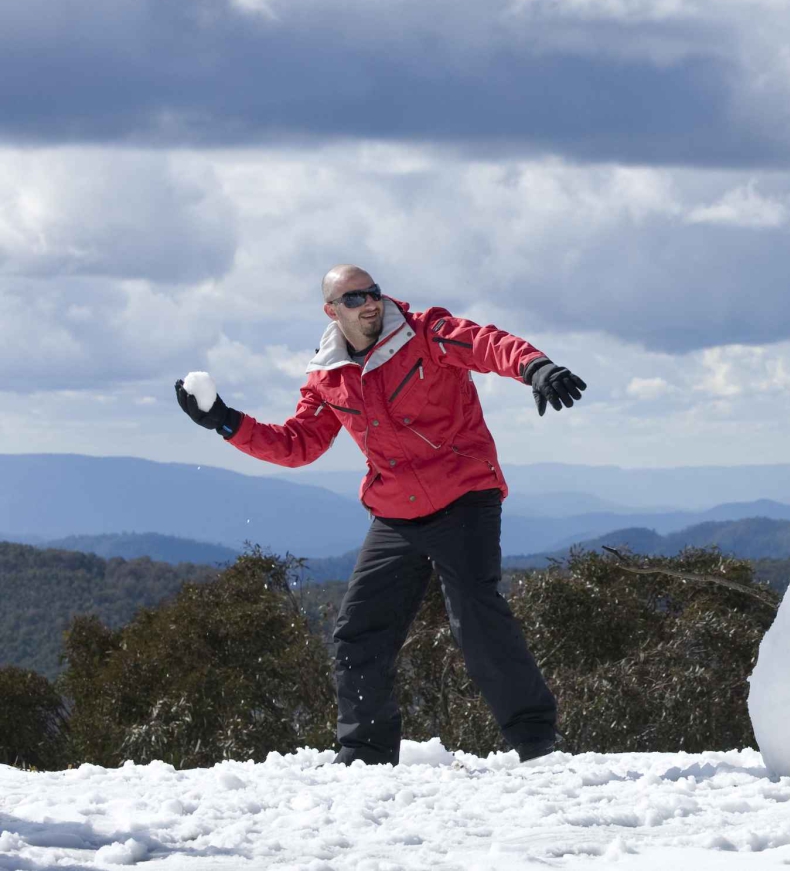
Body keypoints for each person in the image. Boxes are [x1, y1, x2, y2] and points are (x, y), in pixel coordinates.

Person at [174, 265, 586, 765]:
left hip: (463, 495)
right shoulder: (329, 376)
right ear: (331, 311)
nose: (369, 303)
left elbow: (485, 343)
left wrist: (535, 367)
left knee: (475, 618)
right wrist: (224, 421)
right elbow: (298, 444)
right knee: (358, 630)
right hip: (396, 512)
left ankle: (538, 744)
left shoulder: (425, 332)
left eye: (373, 293)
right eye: (353, 298)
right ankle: (365, 757)